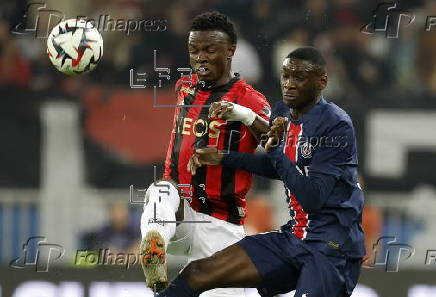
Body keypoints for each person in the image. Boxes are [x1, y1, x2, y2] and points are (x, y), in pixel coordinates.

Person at [157, 46, 365, 297]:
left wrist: (274, 150)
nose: (289, 84)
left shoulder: (336, 124)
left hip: (333, 246)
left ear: (322, 82)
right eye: (285, 75)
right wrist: (224, 157)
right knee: (198, 273)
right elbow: (280, 168)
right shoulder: (281, 114)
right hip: (296, 236)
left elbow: (314, 197)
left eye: (299, 77)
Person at [139, 11, 271, 297]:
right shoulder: (185, 88)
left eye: (210, 50)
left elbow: (274, 142)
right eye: (194, 50)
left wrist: (245, 116)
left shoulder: (249, 98)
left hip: (222, 226)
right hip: (183, 215)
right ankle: (154, 244)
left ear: (231, 50)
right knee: (161, 190)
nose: (201, 57)